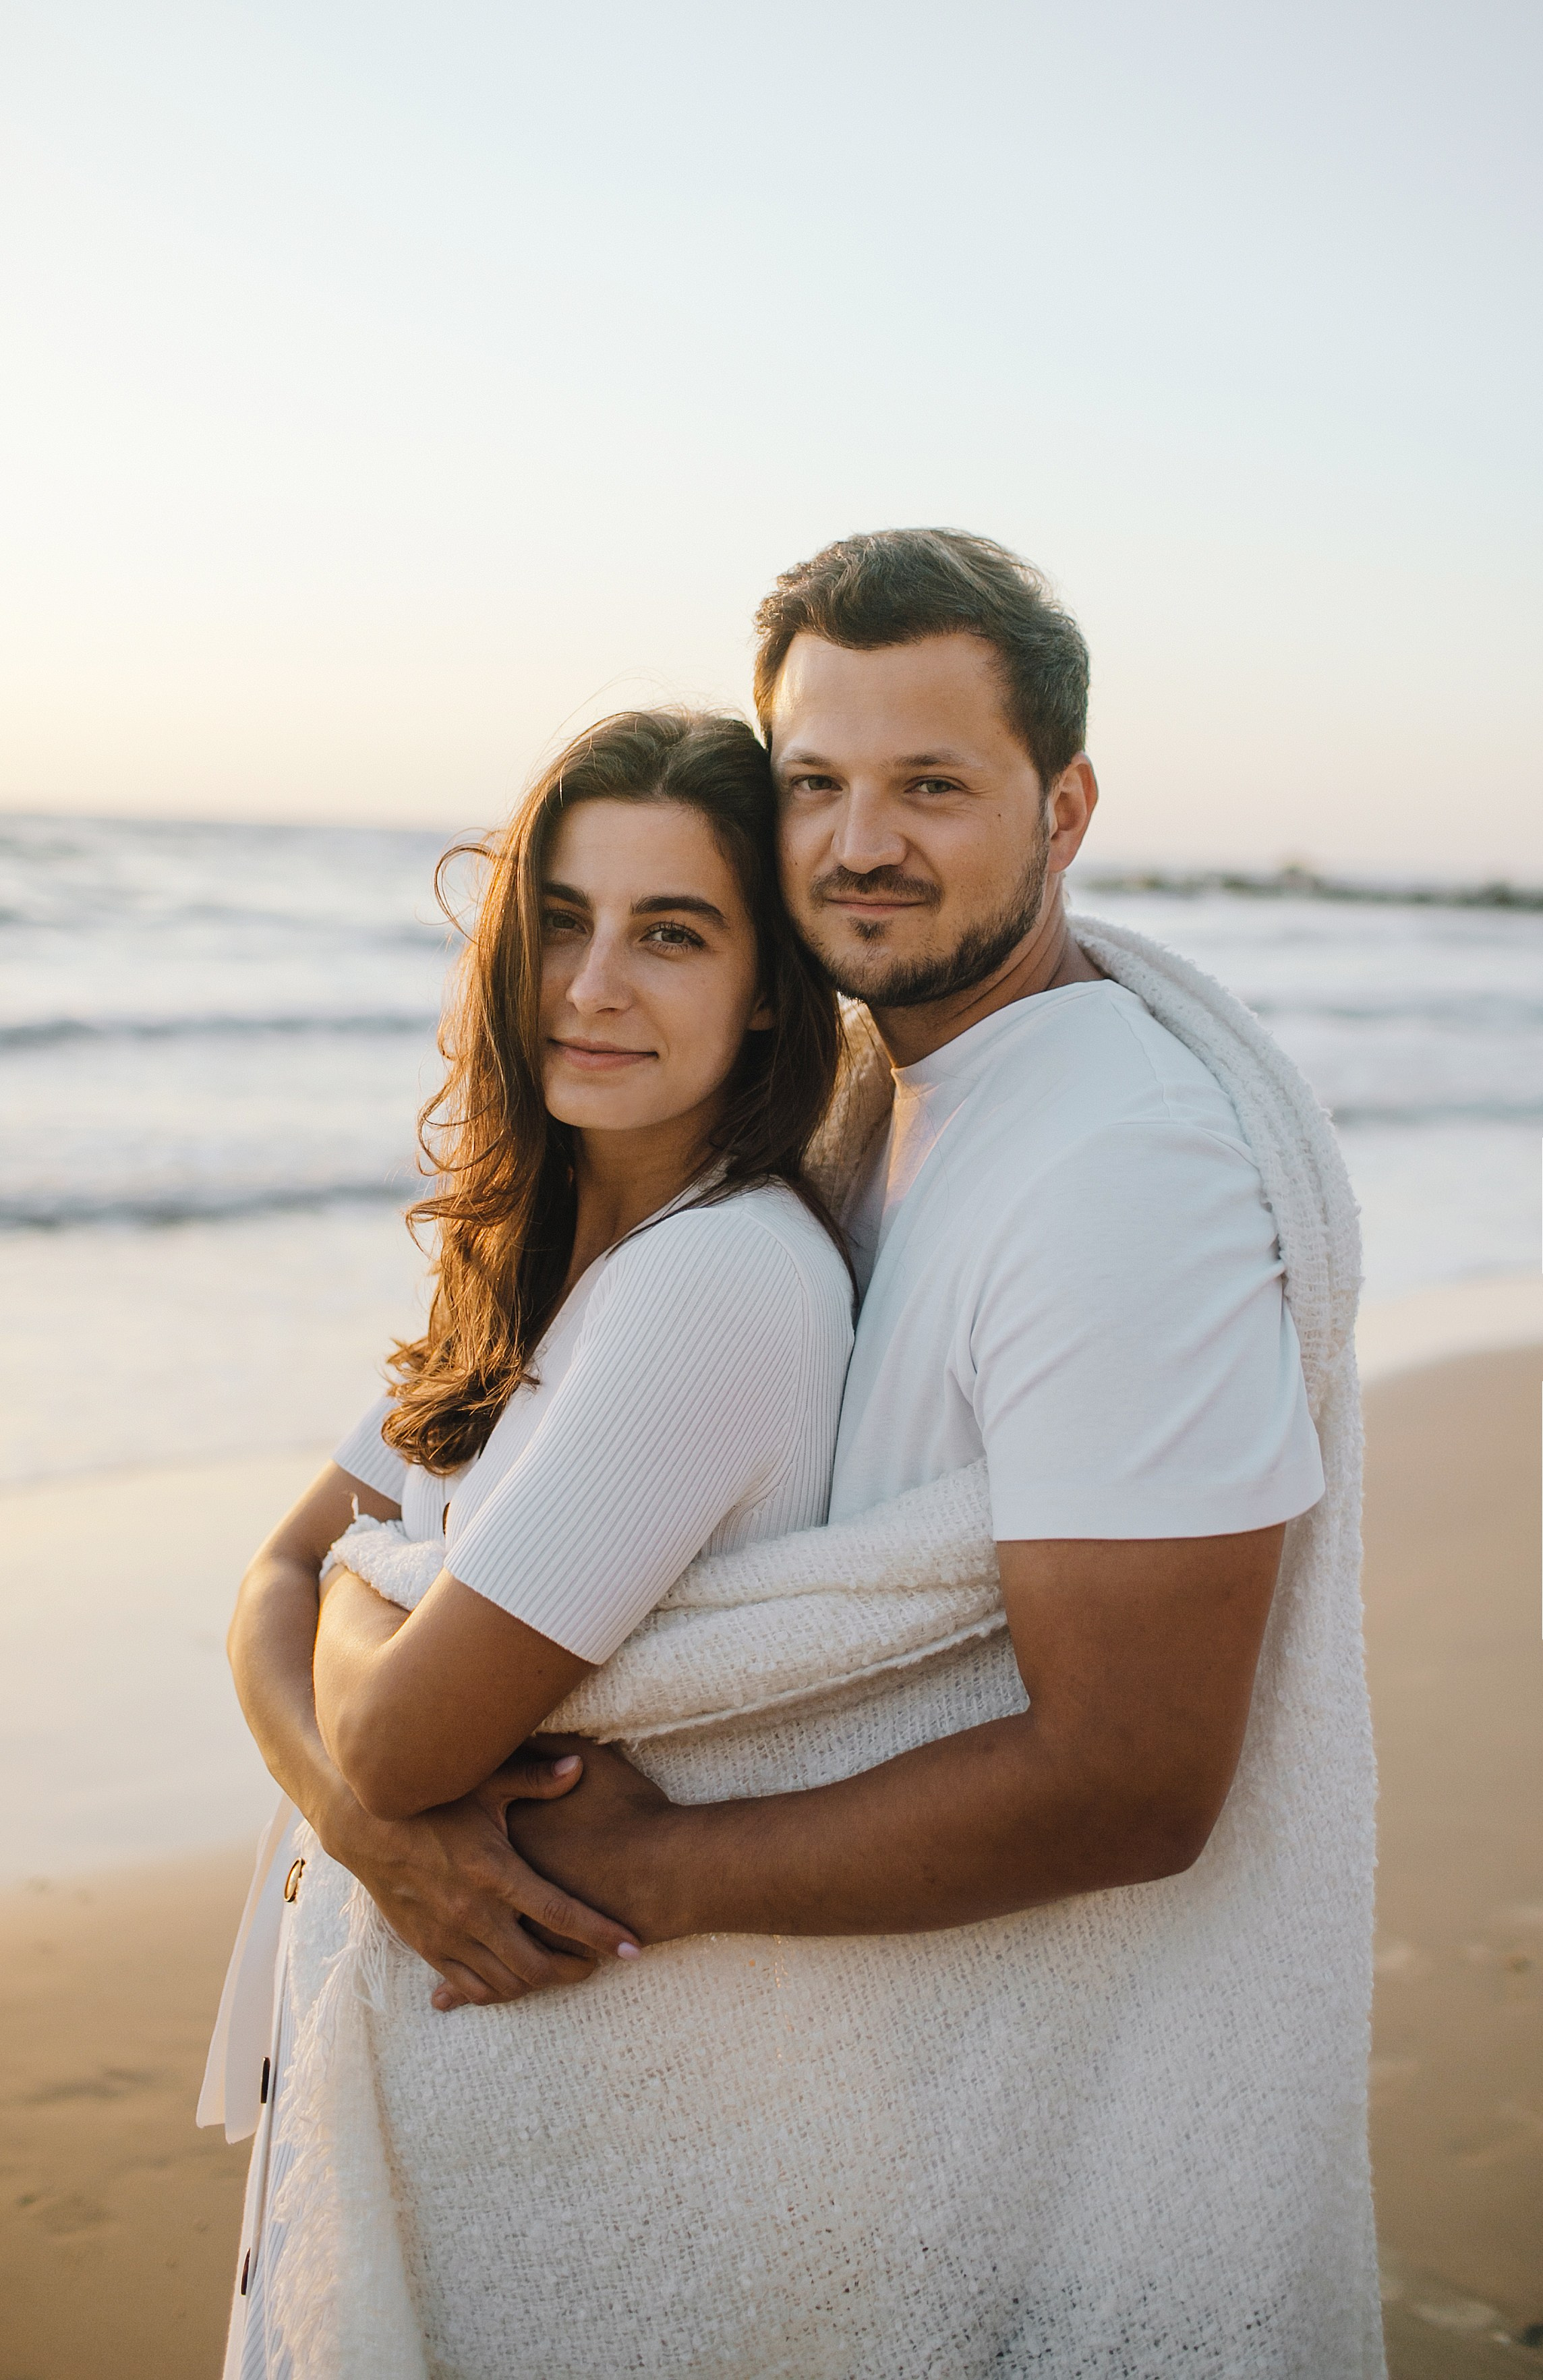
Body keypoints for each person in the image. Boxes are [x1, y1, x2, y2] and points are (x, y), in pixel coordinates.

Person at [214, 533, 1380, 2378]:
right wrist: (373, 1812)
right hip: (801, 2119)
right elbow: (308, 1587)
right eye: (820, 785)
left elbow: (1143, 1770)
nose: (863, 842)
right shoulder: (872, 1116)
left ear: (1065, 804)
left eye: (933, 784)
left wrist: (645, 1871)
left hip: (886, 2113)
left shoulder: (1117, 1170)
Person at [213, 708, 855, 2374]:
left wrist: (359, 1699)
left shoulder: (718, 1284)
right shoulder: (531, 1257)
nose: (592, 984)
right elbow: (267, 1584)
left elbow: (396, 1723)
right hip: (471, 2093)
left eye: (672, 932)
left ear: (770, 984)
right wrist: (363, 1813)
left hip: (576, 2143)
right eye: (561, 920)